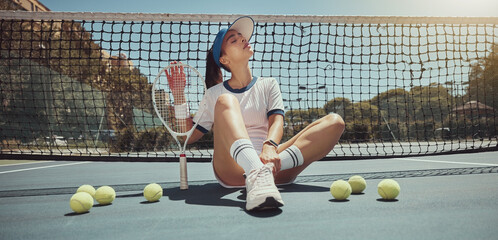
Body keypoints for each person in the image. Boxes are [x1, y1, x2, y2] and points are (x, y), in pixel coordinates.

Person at [167, 16, 345, 211]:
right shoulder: (214, 94)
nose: (243, 39)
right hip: (231, 170)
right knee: (226, 101)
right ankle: (255, 170)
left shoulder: (269, 84)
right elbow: (189, 136)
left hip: (275, 166)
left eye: (241, 37)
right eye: (233, 40)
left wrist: (269, 148)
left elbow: (277, 121)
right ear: (224, 59)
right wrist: (178, 97)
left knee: (335, 122)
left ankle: (263, 172)